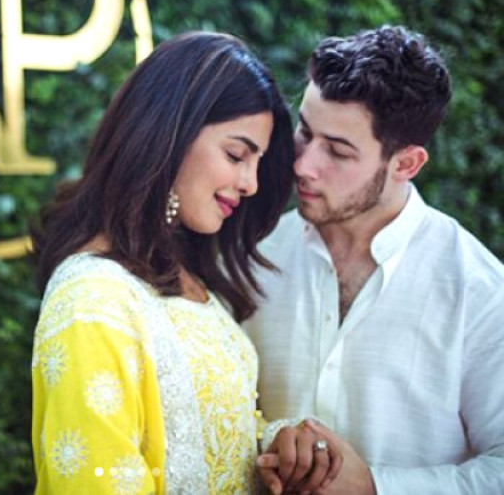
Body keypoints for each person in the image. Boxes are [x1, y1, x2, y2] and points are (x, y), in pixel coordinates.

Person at [30, 31, 340, 494]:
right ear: (170, 135)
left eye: (256, 162)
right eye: (236, 154)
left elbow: (208, 437)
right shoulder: (91, 298)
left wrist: (275, 447)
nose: (251, 183)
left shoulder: (186, 277)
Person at [245, 25, 504, 494]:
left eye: (338, 151)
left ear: (406, 164)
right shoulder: (254, 258)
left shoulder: (480, 292)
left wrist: (376, 486)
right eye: (305, 131)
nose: (303, 164)